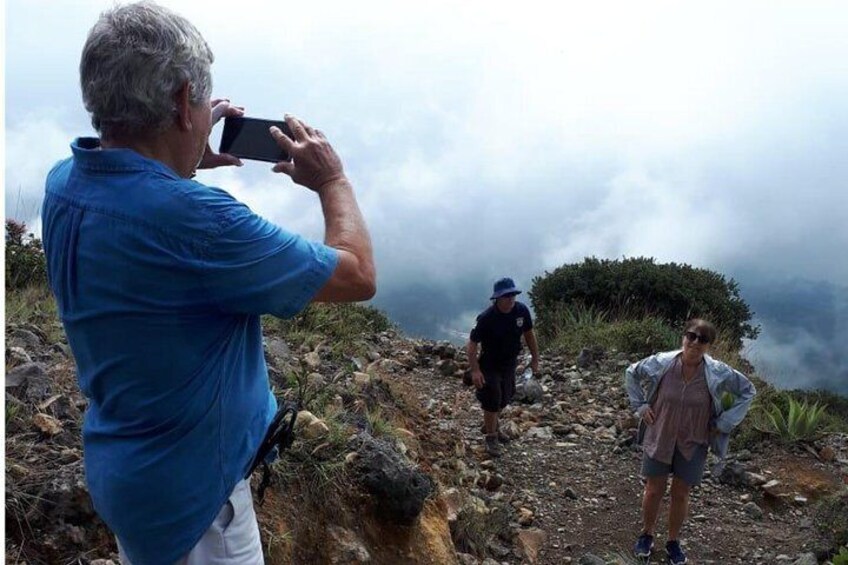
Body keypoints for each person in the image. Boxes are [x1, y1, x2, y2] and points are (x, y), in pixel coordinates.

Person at [41, 3, 375, 564]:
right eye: (199, 101)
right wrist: (332, 180)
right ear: (180, 101)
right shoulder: (202, 223)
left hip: (129, 474)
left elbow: (142, 207)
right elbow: (357, 274)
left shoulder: (64, 184)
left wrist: (181, 157)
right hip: (197, 509)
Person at [624, 319, 756, 565]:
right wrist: (640, 406)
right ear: (683, 337)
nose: (695, 342)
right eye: (691, 336)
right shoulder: (663, 362)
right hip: (660, 435)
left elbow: (748, 390)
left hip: (694, 441)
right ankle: (647, 534)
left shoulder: (717, 371)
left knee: (680, 494)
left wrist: (726, 422)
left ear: (708, 345)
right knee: (653, 490)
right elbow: (631, 372)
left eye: (703, 339)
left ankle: (673, 541)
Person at [466, 277, 539, 457]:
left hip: (509, 363)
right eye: (506, 296)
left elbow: (529, 335)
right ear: (497, 298)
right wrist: (475, 370)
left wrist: (536, 358)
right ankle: (491, 437)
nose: (510, 299)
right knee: (492, 396)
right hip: (489, 363)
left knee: (507, 396)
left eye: (513, 295)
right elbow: (472, 345)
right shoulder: (486, 318)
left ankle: (492, 424)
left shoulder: (521, 311)